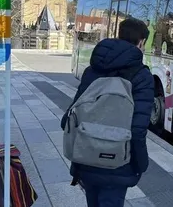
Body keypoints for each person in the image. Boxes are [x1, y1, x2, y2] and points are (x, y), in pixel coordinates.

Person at [61, 17, 154, 207]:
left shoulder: (93, 70)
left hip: (86, 157)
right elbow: (138, 130)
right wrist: (141, 164)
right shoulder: (142, 76)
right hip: (118, 162)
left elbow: (68, 118)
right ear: (141, 42)